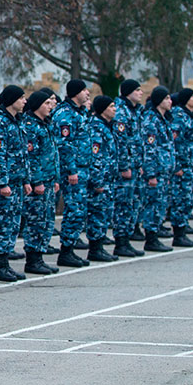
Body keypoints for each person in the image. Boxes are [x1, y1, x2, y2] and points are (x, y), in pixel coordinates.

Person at [0, 85, 28, 279]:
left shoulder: (16, 121)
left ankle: (6, 262)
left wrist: (25, 179)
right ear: (12, 100)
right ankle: (0, 266)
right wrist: (2, 183)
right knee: (2, 222)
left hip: (16, 181)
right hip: (5, 184)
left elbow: (21, 154)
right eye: (21, 98)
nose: (24, 101)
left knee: (12, 223)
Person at [20, 89, 60, 274]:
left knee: (46, 220)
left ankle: (40, 256)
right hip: (40, 182)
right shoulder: (30, 126)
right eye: (46, 103)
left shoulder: (46, 124)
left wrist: (56, 178)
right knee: (36, 220)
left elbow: (53, 153)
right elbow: (32, 157)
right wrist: (37, 181)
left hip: (49, 179)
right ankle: (33, 259)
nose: (50, 107)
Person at [52, 80, 92, 266]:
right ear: (76, 92)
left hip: (82, 168)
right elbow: (64, 145)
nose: (87, 93)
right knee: (74, 210)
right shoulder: (65, 114)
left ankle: (71, 248)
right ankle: (66, 250)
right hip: (72, 171)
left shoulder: (79, 112)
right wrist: (71, 170)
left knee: (79, 210)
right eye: (84, 90)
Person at [83, 95, 120, 262]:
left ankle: (100, 245)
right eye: (112, 106)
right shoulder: (96, 127)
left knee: (104, 212)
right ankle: (95, 248)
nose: (114, 109)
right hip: (99, 180)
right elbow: (95, 157)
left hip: (108, 178)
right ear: (103, 109)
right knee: (97, 212)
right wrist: (97, 181)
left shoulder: (107, 126)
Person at [112, 79, 145, 257]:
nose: (141, 93)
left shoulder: (136, 111)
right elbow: (121, 142)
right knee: (123, 204)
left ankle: (126, 239)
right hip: (125, 167)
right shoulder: (121, 112)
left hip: (134, 165)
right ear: (128, 92)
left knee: (132, 203)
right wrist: (125, 165)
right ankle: (121, 241)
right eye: (137, 90)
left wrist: (139, 164)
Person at [140, 86, 174, 253]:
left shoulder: (162, 119)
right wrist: (151, 173)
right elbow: (149, 149)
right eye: (166, 98)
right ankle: (151, 237)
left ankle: (155, 234)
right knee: (153, 204)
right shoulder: (151, 121)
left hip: (163, 170)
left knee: (160, 203)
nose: (170, 101)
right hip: (155, 171)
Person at [167, 88, 193, 247]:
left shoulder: (190, 115)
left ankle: (183, 230)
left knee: (187, 199)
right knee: (180, 200)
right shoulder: (179, 116)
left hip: (191, 165)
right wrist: (178, 165)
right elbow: (174, 143)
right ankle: (178, 234)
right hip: (183, 166)